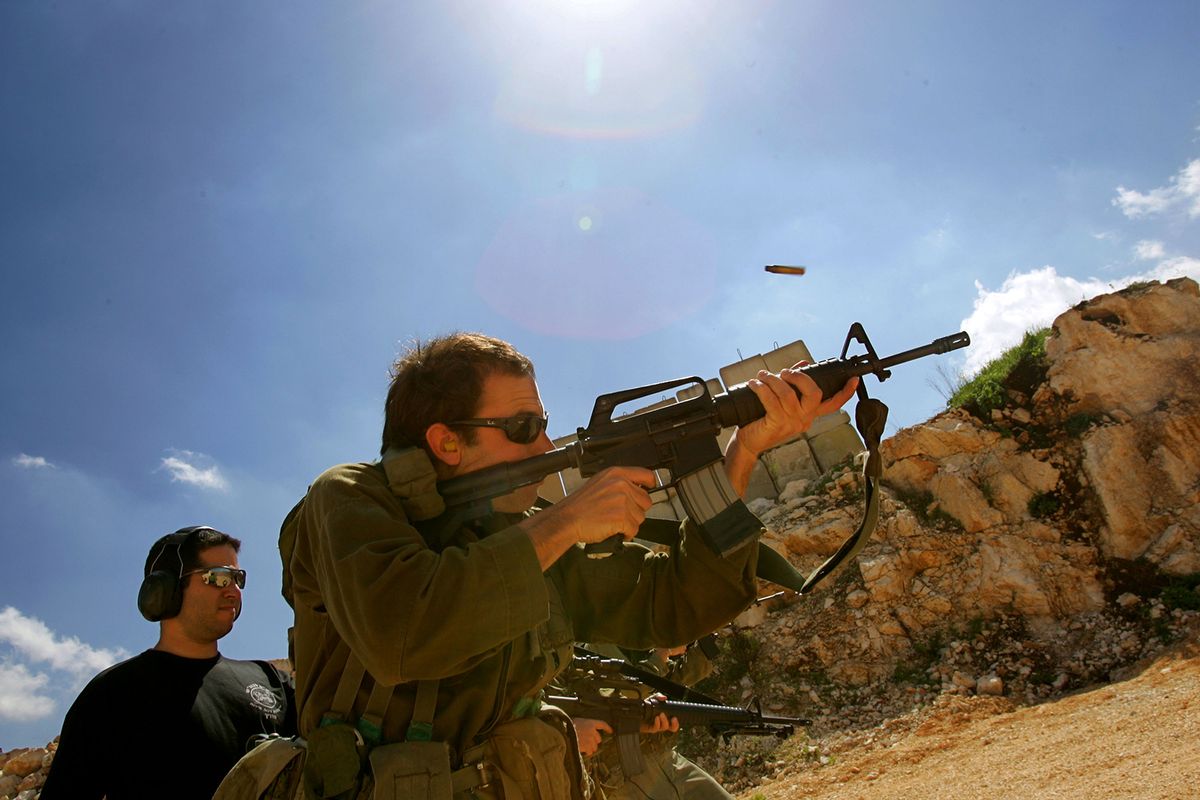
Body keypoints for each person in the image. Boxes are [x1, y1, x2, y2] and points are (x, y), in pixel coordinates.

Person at [283, 332, 856, 799]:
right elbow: (406, 632)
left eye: (543, 423)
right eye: (523, 428)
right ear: (447, 443)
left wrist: (746, 449)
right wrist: (563, 522)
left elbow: (674, 604)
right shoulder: (351, 498)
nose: (545, 446)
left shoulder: (523, 534)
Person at [41, 526, 297, 800]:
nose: (234, 591)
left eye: (238, 579)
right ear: (165, 589)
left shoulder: (272, 682)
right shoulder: (114, 694)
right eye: (220, 578)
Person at [575, 642, 732, 799]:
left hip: (663, 758)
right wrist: (662, 654)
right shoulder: (593, 643)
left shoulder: (632, 637)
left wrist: (703, 646)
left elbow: (672, 681)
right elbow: (629, 693)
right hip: (624, 775)